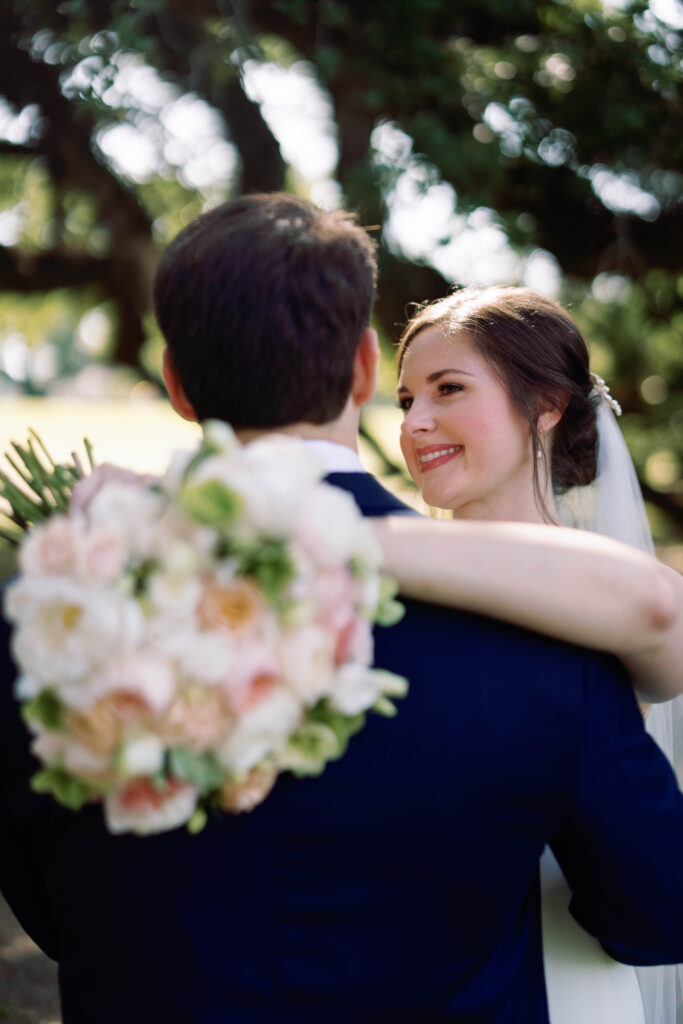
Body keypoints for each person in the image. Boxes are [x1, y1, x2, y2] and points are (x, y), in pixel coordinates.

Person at [1, 193, 682, 1023]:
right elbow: (653, 910)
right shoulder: (554, 644)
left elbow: (58, 908)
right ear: (365, 369)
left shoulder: (44, 622)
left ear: (175, 382)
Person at [390, 284, 683, 1023]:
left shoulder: (610, 595)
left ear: (546, 405)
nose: (416, 423)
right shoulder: (391, 584)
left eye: (447, 389)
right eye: (403, 401)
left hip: (566, 964)